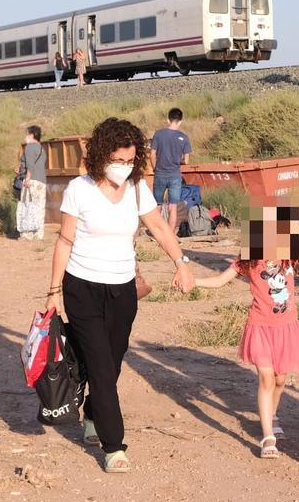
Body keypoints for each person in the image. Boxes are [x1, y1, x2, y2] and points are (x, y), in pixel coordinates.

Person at [44, 117, 194, 473]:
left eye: (130, 161)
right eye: (118, 160)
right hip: (81, 287)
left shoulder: (138, 187)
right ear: (100, 155)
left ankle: (94, 413)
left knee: (111, 361)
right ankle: (114, 447)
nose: (124, 168)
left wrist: (181, 262)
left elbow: (157, 226)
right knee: (98, 361)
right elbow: (64, 241)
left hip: (123, 288)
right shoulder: (79, 189)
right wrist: (52, 291)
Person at [194, 203, 299, 459]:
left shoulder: (289, 256)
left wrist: (298, 232)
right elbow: (219, 280)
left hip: (286, 328)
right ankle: (267, 437)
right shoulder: (249, 260)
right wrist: (192, 281)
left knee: (280, 379)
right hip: (260, 327)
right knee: (266, 377)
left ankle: (272, 415)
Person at [150, 108, 192, 234]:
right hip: (175, 175)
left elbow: (152, 154)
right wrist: (177, 161)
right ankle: (170, 234)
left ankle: (155, 233)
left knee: (157, 205)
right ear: (180, 122)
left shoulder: (159, 134)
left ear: (168, 119)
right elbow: (187, 161)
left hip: (160, 174)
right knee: (172, 207)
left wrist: (154, 168)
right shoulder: (184, 137)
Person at [14, 125, 48, 240]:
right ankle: (38, 234)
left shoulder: (29, 147)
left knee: (27, 206)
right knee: (39, 207)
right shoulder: (42, 149)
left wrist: (27, 178)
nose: (25, 136)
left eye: (27, 133)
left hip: (31, 180)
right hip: (41, 181)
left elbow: (30, 164)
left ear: (32, 135)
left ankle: (26, 234)